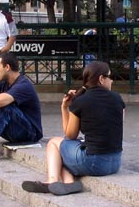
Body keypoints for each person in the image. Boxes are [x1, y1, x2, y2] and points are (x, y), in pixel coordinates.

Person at [21, 61, 125, 197]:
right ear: (101, 79)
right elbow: (116, 126)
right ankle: (69, 181)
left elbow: (70, 135)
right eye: (110, 77)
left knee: (54, 143)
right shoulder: (118, 99)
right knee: (65, 152)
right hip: (115, 162)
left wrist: (65, 107)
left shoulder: (81, 101)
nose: (112, 81)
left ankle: (51, 180)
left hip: (94, 163)